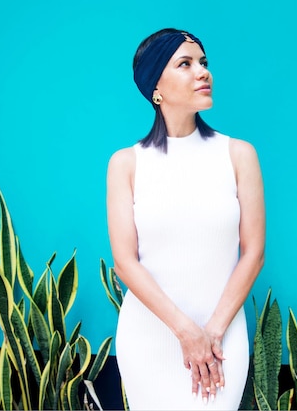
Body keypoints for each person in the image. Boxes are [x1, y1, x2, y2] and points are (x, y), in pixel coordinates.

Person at [106, 28, 265, 410]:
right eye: (185, 64)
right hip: (150, 338)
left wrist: (210, 334)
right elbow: (125, 263)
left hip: (222, 337)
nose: (203, 73)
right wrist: (186, 333)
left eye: (204, 63)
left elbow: (254, 252)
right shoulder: (126, 164)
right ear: (155, 87)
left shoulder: (238, 155)